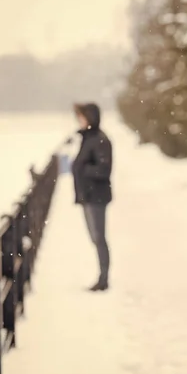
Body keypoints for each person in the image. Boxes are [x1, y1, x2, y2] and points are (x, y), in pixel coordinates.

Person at [71, 103, 113, 291]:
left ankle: (103, 279)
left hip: (96, 196)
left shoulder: (99, 140)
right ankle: (102, 277)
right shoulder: (88, 138)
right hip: (88, 196)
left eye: (81, 116)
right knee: (95, 238)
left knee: (99, 238)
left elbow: (104, 169)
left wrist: (83, 169)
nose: (78, 120)